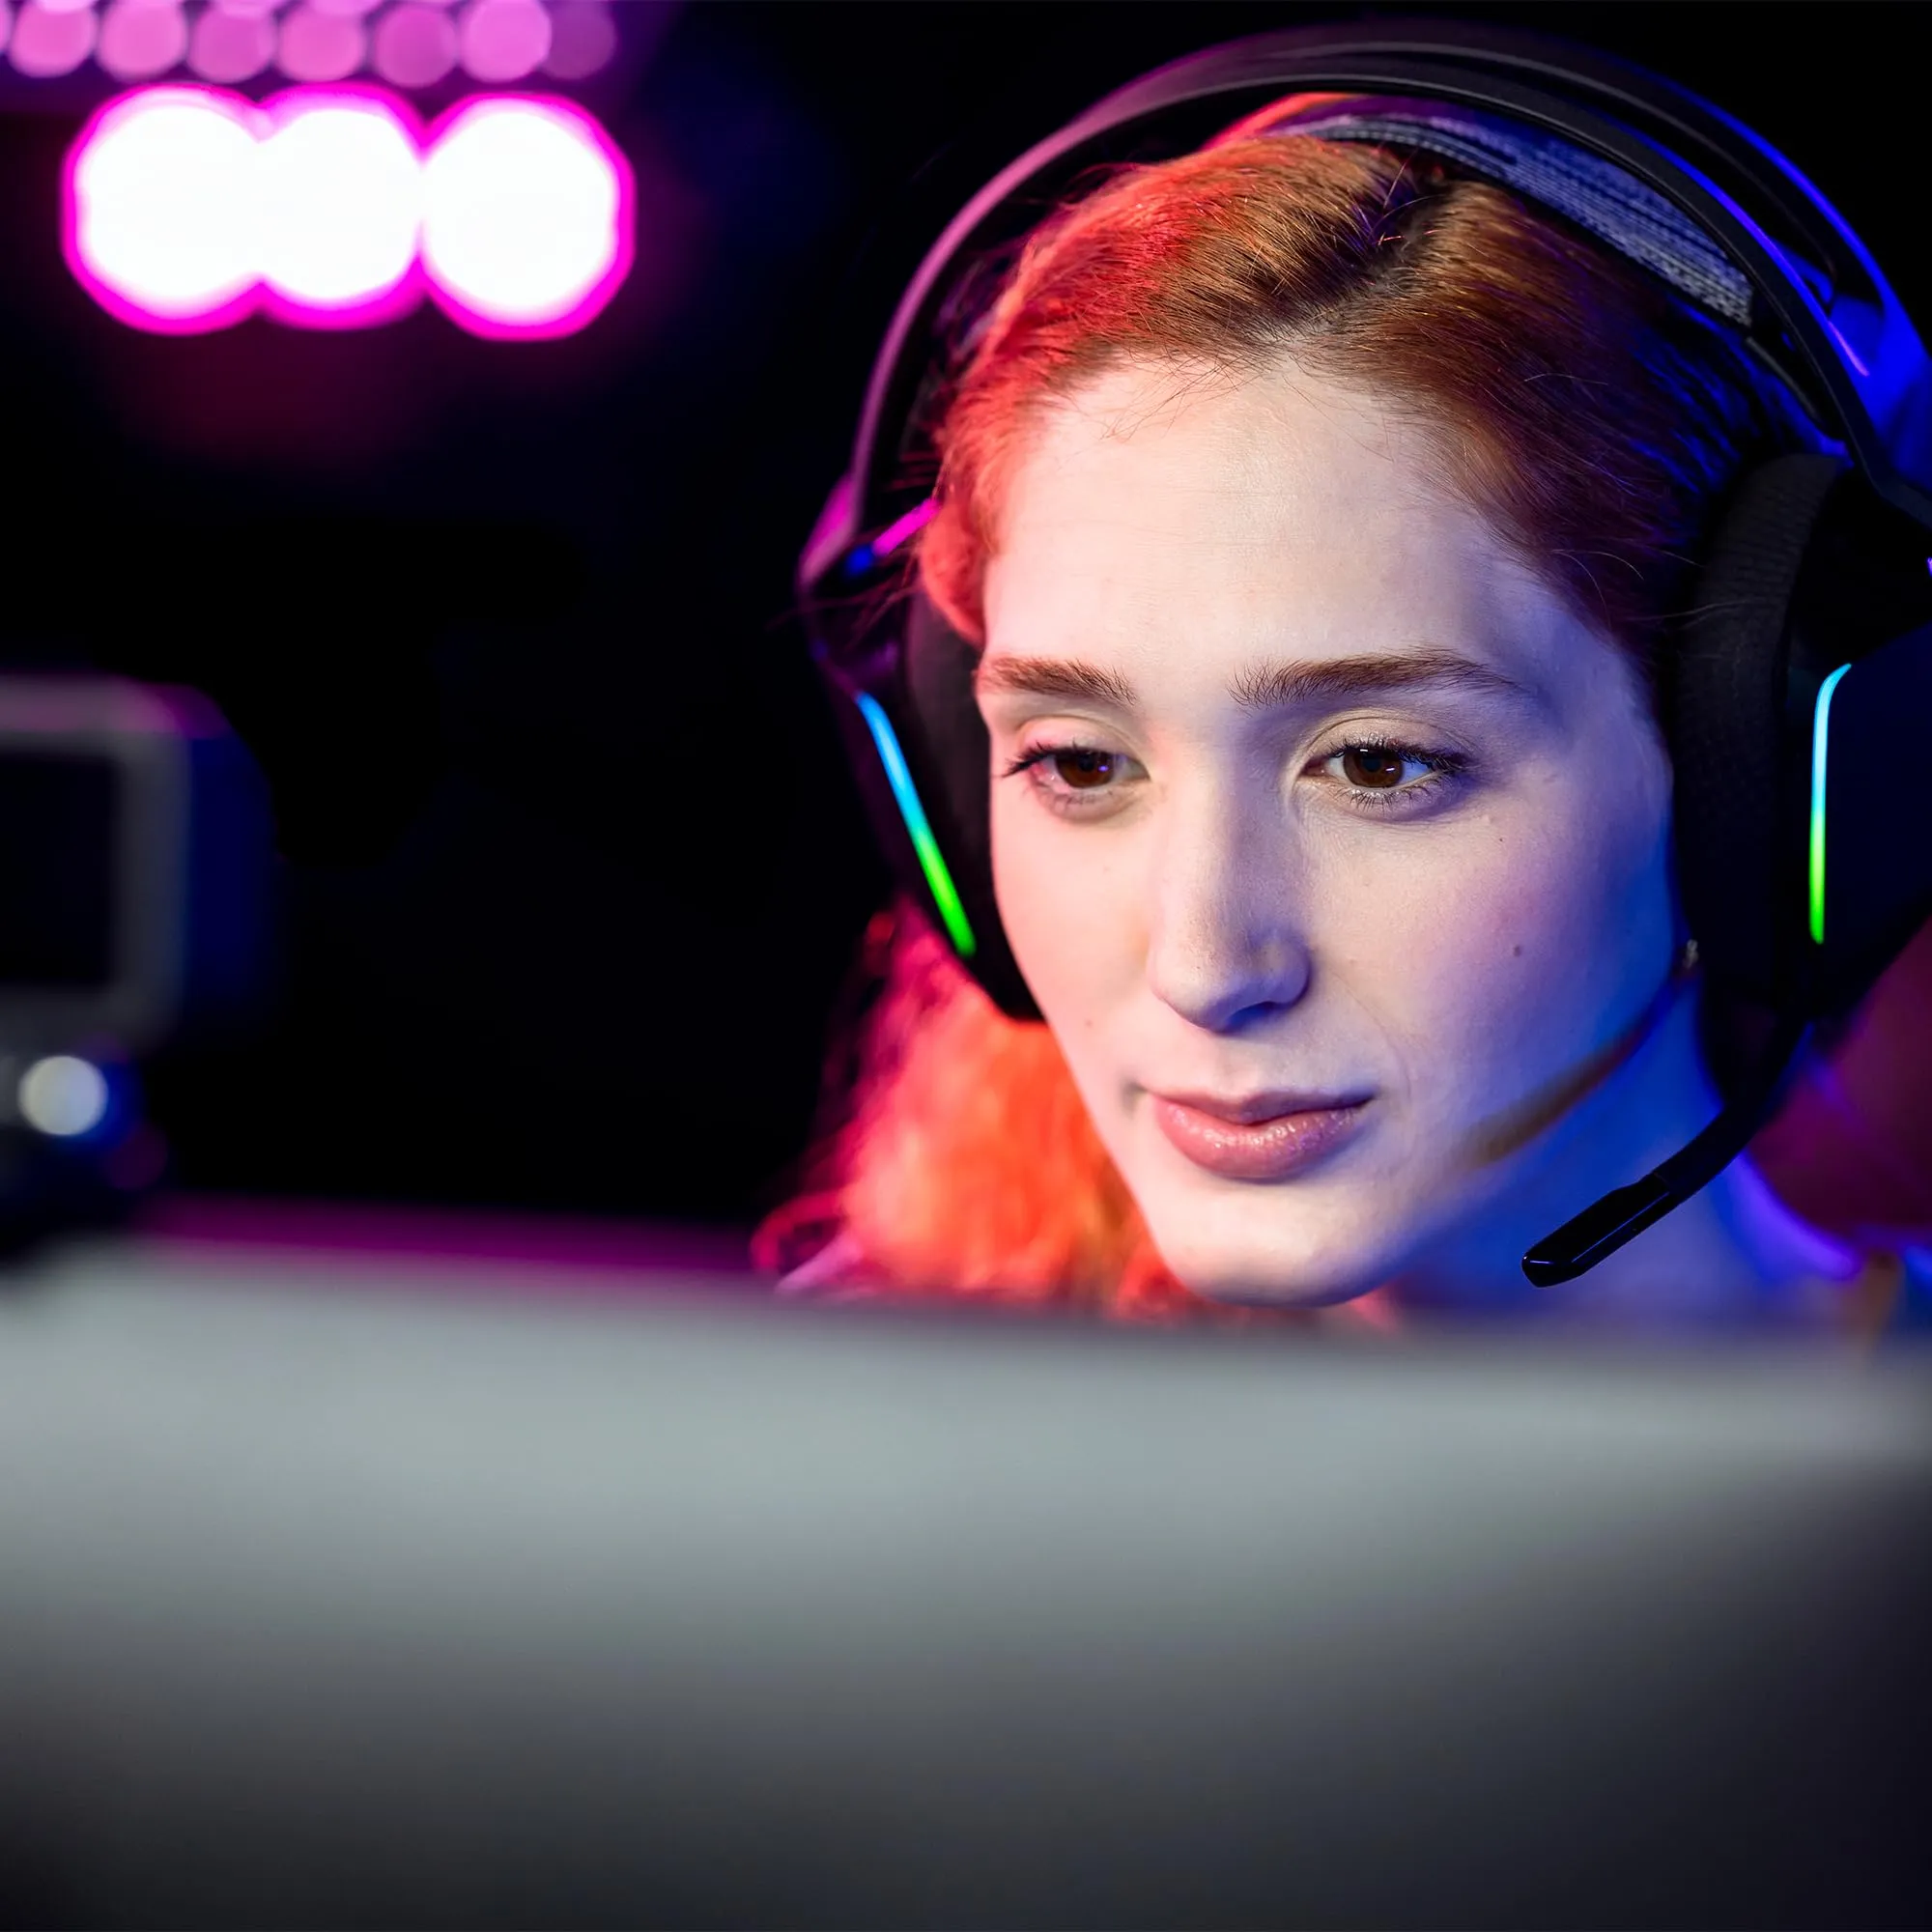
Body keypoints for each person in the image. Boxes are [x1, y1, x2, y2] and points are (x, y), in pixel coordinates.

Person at [758, 89, 1932, 1332]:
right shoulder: (839, 1409)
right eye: (1080, 764)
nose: (1205, 970)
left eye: (1374, 763)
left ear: (1750, 774)